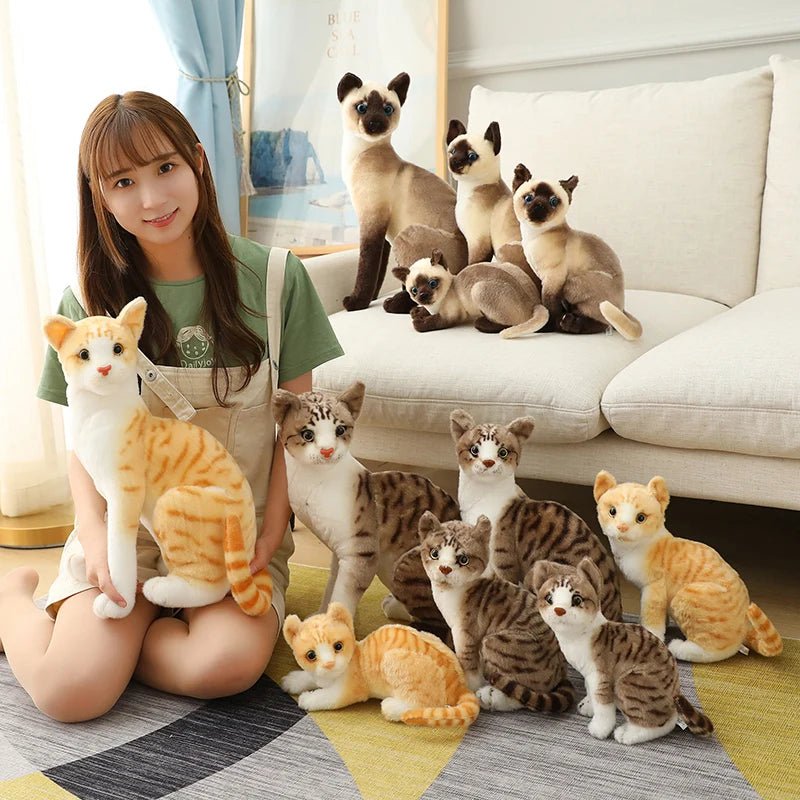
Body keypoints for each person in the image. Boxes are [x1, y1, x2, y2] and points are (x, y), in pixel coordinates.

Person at [0, 91, 343, 722]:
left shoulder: (275, 280)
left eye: (165, 168)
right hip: (126, 532)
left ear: (199, 161)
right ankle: (12, 601)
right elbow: (82, 442)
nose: (152, 199)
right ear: (100, 196)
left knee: (223, 668)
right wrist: (95, 538)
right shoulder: (86, 301)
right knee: (68, 694)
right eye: (123, 182)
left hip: (229, 531)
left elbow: (297, 433)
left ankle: (129, 639)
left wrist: (272, 532)